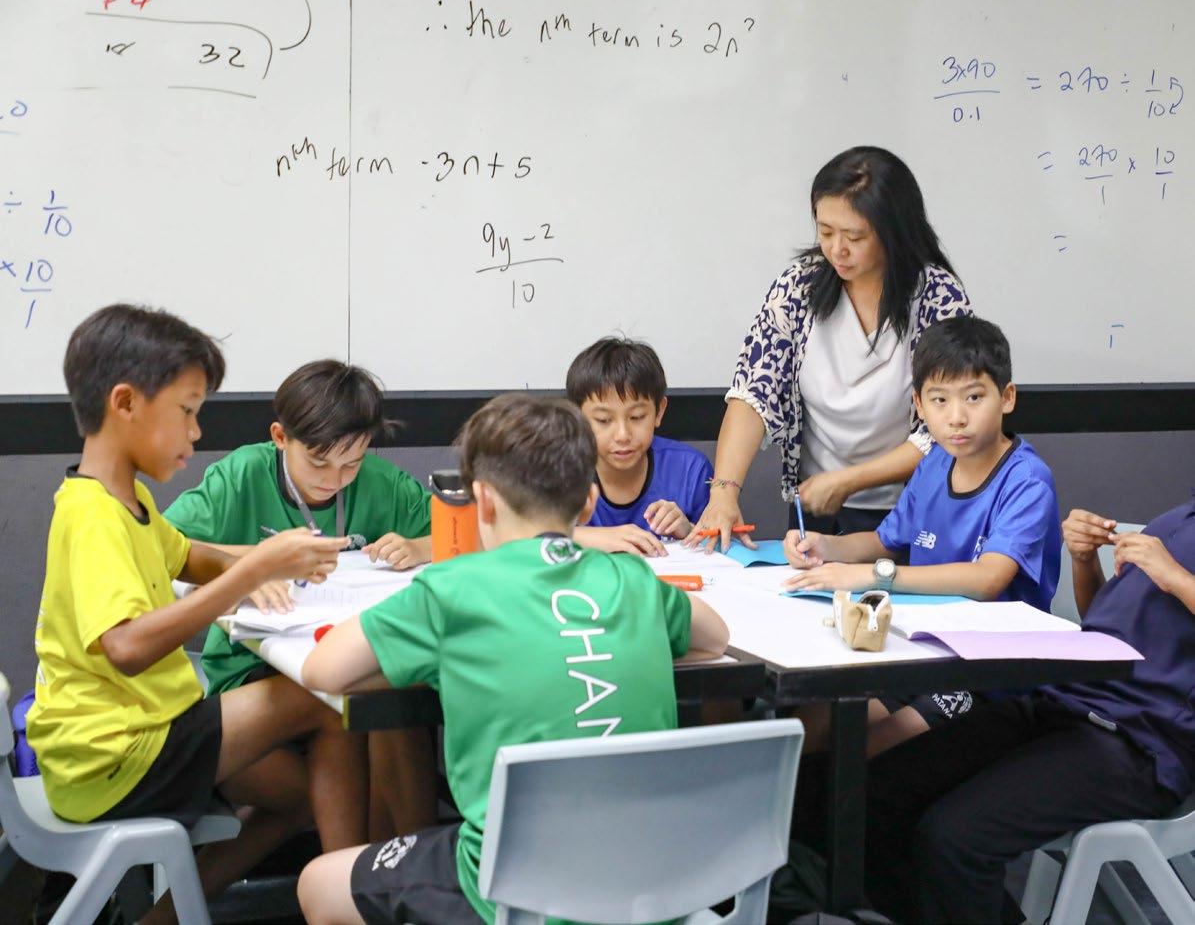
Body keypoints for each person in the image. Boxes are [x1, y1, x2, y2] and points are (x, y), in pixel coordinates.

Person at [294, 393, 730, 925]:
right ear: (588, 504)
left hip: (514, 890)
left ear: (482, 501)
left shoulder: (453, 588)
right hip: (653, 890)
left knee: (318, 883)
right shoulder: (633, 581)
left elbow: (321, 670)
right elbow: (715, 637)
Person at [25, 304, 367, 921]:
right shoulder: (94, 516)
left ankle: (161, 918)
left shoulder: (123, 499)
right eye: (186, 411)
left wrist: (272, 558)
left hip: (133, 738)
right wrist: (253, 572)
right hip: (116, 754)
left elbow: (189, 556)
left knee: (296, 798)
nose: (196, 433)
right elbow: (127, 647)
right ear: (125, 403)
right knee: (327, 703)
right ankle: (351, 908)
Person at [851, 501, 1195, 923]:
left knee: (955, 838)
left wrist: (1176, 577)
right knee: (870, 797)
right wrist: (1084, 561)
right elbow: (1108, 630)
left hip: (1142, 743)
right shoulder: (1178, 517)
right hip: (1063, 703)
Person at [164, 359, 437, 838]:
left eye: (351, 463)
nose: (334, 479)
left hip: (345, 660)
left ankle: (397, 860)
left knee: (390, 704)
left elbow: (464, 541)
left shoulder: (382, 483)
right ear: (280, 436)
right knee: (344, 723)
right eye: (318, 462)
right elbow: (165, 546)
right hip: (251, 672)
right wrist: (250, 566)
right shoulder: (242, 476)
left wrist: (419, 547)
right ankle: (369, 867)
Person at [783, 317, 1061, 754]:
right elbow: (885, 541)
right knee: (811, 728)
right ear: (919, 404)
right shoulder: (934, 463)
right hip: (920, 653)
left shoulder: (1026, 480)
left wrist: (874, 576)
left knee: (868, 750)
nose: (957, 417)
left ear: (1006, 397)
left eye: (974, 397)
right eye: (939, 400)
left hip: (989, 674)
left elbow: (988, 579)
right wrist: (825, 546)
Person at [687, 145, 972, 553]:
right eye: (825, 232)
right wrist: (724, 493)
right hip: (816, 504)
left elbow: (944, 427)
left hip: (911, 508)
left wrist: (848, 481)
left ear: (893, 231)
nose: (837, 249)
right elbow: (754, 391)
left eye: (855, 236)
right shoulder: (798, 287)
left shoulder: (937, 297)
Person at [566, 336, 713, 557]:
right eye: (604, 420)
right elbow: (521, 540)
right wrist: (590, 538)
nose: (623, 435)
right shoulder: (558, 470)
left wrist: (689, 531)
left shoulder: (691, 470)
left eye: (636, 417)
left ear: (659, 411)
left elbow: (724, 547)